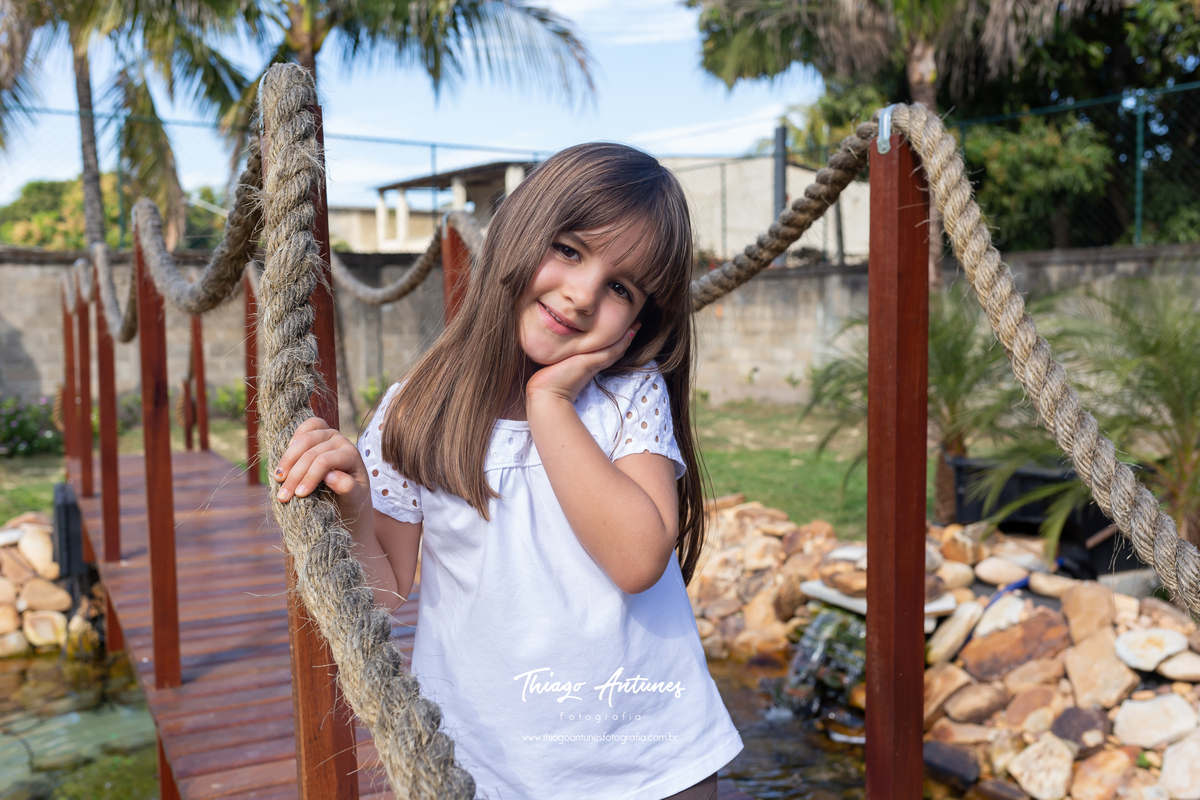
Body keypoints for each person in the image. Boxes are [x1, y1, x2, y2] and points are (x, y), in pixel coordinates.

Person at [273, 142, 743, 800]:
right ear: (518, 231)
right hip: (488, 768)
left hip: (653, 763)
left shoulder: (626, 397)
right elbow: (383, 594)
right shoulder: (419, 410)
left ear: (639, 320)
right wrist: (354, 511)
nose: (582, 294)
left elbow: (638, 559)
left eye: (621, 288)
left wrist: (550, 403)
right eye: (570, 250)